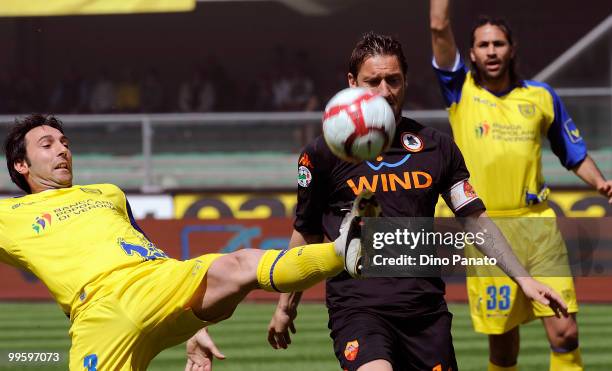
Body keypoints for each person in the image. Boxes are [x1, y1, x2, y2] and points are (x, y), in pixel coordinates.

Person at [261, 32, 566, 371]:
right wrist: (285, 306)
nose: (384, 92)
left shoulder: (437, 147)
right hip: (359, 310)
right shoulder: (323, 154)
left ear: (405, 80)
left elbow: (475, 219)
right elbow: (306, 232)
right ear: (351, 83)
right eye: (372, 81)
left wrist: (523, 279)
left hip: (425, 312)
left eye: (393, 80)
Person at [0, 114, 373, 371]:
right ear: (21, 165)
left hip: (159, 281)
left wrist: (193, 327)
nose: (62, 149)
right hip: (100, 315)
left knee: (240, 263)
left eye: (64, 142)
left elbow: (147, 248)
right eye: (47, 144)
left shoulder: (108, 193)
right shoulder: (9, 217)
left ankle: (343, 250)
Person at [429, 1, 612, 370]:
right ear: (472, 54)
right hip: (485, 229)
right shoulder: (459, 91)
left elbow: (572, 152)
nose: (492, 51)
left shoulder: (541, 97)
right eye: (483, 45)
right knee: (503, 347)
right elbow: (438, 27)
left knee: (566, 332)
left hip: (539, 226)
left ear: (512, 49)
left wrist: (601, 183)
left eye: (499, 43)